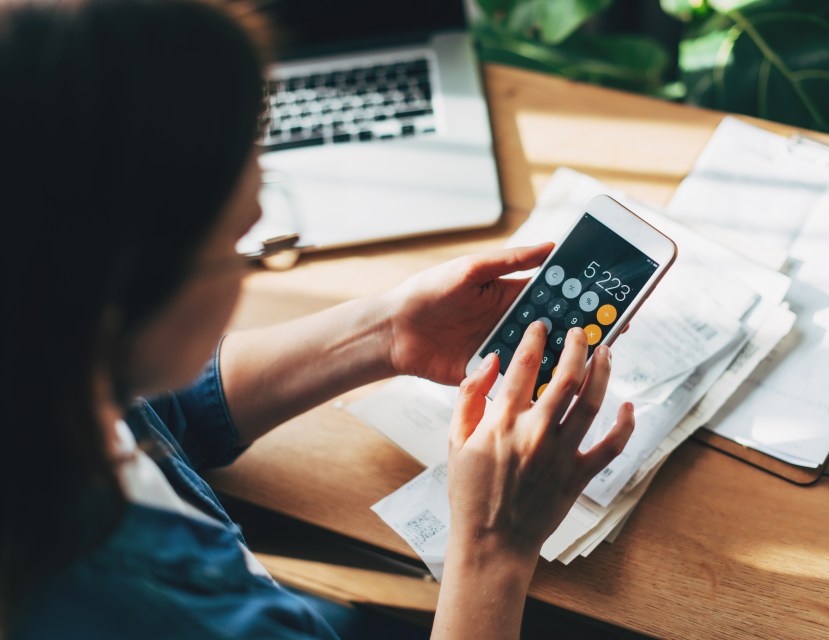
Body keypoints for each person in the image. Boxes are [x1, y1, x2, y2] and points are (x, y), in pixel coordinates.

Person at [0, 1, 634, 638]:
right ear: (113, 295)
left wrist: (386, 332)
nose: (253, 259)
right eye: (235, 243)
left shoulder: (46, 372)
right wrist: (494, 548)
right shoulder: (157, 616)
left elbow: (155, 408)